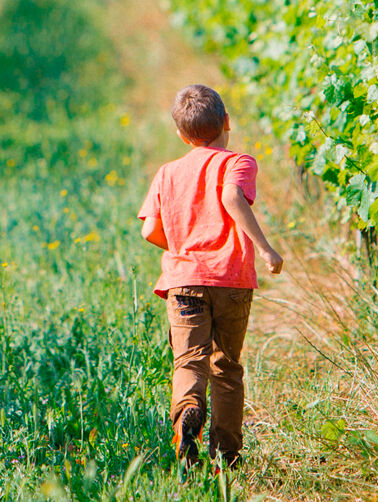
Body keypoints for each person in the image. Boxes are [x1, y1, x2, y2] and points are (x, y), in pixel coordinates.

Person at [137, 84, 283, 468]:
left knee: (188, 361)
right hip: (231, 280)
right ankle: (226, 455)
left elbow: (149, 230)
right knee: (226, 366)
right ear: (226, 122)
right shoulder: (239, 162)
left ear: (182, 135)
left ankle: (187, 415)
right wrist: (266, 249)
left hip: (183, 282)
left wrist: (184, 247)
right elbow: (233, 197)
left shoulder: (167, 173)